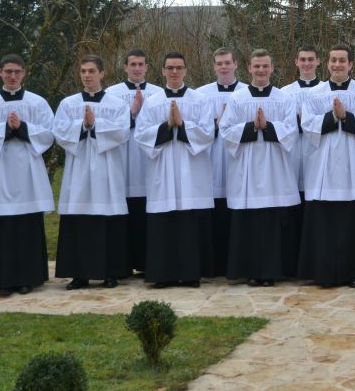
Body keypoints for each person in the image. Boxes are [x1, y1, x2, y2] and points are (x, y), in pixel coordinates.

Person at [297, 45, 355, 288]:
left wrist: (347, 117)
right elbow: (308, 125)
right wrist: (334, 117)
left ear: (351, 64)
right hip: (325, 166)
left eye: (342, 60)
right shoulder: (315, 93)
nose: (337, 65)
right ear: (327, 63)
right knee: (326, 222)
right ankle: (325, 273)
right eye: (333, 60)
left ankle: (354, 272)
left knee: (354, 222)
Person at [0, 54, 54, 296]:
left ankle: (29, 278)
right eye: (8, 71)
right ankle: (3, 279)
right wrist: (6, 128)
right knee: (2, 227)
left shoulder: (37, 103)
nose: (12, 76)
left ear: (24, 73)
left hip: (28, 174)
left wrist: (23, 128)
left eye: (17, 71)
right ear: (0, 72)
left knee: (27, 225)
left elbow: (50, 133)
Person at [134, 52, 217, 288]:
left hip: (192, 171)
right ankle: (163, 275)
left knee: (189, 223)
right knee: (164, 222)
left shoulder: (200, 100)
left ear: (185, 71)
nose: (174, 72)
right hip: (163, 170)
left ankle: (191, 274)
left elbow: (207, 133)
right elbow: (141, 135)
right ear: (162, 71)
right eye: (170, 68)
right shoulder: (152, 102)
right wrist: (167, 126)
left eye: (179, 67)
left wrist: (181, 125)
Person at [221, 49, 302, 286]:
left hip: (274, 169)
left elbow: (292, 132)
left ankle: (271, 272)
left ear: (272, 68)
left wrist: (267, 127)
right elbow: (226, 131)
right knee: (249, 222)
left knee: (271, 221)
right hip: (246, 169)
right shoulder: (236, 99)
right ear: (249, 68)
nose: (261, 70)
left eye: (265, 66)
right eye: (256, 66)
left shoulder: (284, 98)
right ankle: (251, 271)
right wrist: (251, 127)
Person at [53, 55, 131, 289]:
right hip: (78, 170)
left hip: (106, 169)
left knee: (108, 221)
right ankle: (79, 274)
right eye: (83, 71)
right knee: (79, 221)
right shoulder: (68, 104)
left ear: (102, 73)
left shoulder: (117, 104)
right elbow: (59, 132)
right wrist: (82, 125)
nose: (87, 75)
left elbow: (122, 132)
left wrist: (96, 125)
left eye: (91, 71)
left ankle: (110, 273)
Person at [104, 48, 162, 275]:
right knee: (123, 212)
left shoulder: (158, 94)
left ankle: (148, 263)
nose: (137, 68)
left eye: (141, 64)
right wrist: (132, 113)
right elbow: (106, 127)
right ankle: (123, 264)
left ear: (147, 67)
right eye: (133, 64)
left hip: (149, 160)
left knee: (147, 213)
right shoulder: (111, 94)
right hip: (121, 159)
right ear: (125, 67)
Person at [196, 47, 248, 278]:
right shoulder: (201, 95)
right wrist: (216, 124)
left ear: (236, 64)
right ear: (214, 66)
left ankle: (237, 263)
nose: (224, 67)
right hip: (213, 158)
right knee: (215, 210)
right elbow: (196, 126)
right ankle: (215, 265)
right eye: (219, 63)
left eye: (228, 62)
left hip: (241, 158)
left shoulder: (247, 93)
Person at [281, 45, 322, 199]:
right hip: (293, 149)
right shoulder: (285, 92)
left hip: (319, 148)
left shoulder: (326, 90)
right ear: (296, 62)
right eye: (303, 60)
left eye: (311, 59)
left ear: (318, 61)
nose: (307, 63)